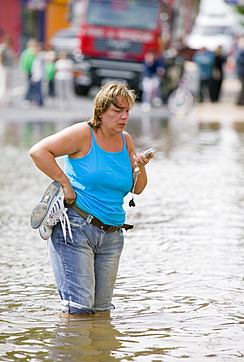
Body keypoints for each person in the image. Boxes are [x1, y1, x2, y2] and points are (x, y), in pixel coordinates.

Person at [29, 82, 154, 315]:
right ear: (100, 111)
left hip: (112, 236)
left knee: (101, 312)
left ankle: (98, 352)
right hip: (76, 227)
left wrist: (140, 167)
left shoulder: (126, 140)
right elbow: (38, 152)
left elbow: (137, 189)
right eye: (117, 111)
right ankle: (71, 348)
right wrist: (65, 183)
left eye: (127, 111)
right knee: (79, 311)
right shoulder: (82, 134)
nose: (123, 116)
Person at [19, 38, 38, 108]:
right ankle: (26, 99)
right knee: (29, 86)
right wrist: (24, 70)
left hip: (35, 72)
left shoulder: (36, 52)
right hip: (28, 71)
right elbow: (23, 61)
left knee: (34, 86)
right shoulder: (26, 52)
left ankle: (32, 99)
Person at [0, 35, 15, 106]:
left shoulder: (10, 48)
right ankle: (2, 98)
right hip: (4, 67)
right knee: (3, 83)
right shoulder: (2, 47)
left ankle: (7, 99)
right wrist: (2, 65)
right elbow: (1, 57)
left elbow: (12, 58)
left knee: (8, 83)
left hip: (9, 67)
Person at [235, 36, 244, 106]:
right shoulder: (240, 52)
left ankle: (242, 101)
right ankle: (239, 101)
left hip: (241, 72)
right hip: (241, 72)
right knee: (243, 87)